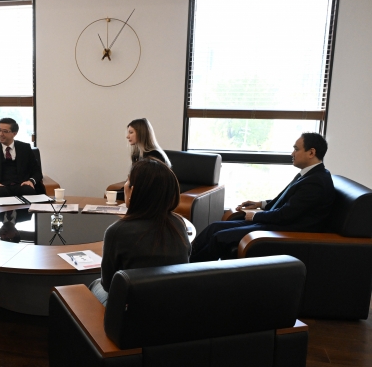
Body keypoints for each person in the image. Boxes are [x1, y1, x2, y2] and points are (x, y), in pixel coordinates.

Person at [190, 132, 335, 263]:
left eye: (296, 149)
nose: (292, 153)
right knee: (214, 227)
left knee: (220, 237)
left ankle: (188, 272)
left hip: (284, 231)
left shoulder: (316, 182)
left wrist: (254, 216)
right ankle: (183, 258)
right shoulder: (310, 175)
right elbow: (287, 201)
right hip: (277, 224)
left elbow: (286, 215)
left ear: (311, 152)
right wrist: (261, 203)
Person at [89, 158, 191, 305]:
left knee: (95, 284)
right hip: (174, 310)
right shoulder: (179, 224)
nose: (125, 185)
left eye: (127, 181)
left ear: (133, 191)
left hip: (132, 317)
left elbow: (108, 284)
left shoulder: (117, 232)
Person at [0, 118, 43, 198]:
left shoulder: (25, 148)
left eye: (5, 131)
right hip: (0, 186)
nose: (0, 134)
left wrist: (31, 181)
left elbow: (37, 172)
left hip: (21, 185)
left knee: (28, 190)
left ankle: (26, 211)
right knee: (0, 192)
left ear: (14, 133)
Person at [114, 118, 171, 200]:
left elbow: (149, 185)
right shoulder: (137, 155)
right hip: (141, 193)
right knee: (111, 194)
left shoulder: (155, 156)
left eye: (131, 132)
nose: (127, 136)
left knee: (115, 197)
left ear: (141, 133)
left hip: (152, 198)